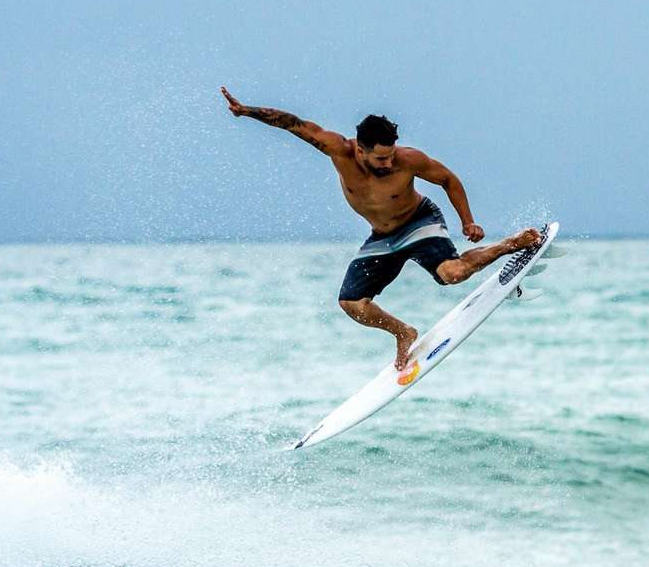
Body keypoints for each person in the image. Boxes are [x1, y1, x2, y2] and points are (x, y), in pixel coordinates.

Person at [221, 87, 541, 369]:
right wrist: (246, 112)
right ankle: (403, 332)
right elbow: (293, 124)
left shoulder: (409, 159)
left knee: (451, 274)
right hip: (383, 237)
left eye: (390, 156)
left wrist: (467, 220)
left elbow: (447, 179)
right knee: (351, 303)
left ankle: (509, 244)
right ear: (360, 149)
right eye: (381, 158)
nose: (389, 164)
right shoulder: (337, 149)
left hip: (418, 222)